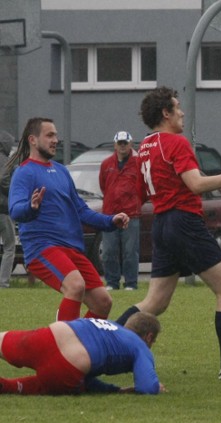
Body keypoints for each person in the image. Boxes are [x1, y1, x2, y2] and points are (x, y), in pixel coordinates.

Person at [114, 86, 221, 381]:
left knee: (154, 303)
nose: (182, 112)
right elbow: (196, 185)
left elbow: (141, 193)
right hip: (184, 222)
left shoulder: (143, 147)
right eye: (177, 107)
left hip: (161, 223)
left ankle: (102, 342)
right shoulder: (176, 142)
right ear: (166, 113)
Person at [8, 117, 130, 320]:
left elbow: (81, 210)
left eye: (56, 135)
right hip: (43, 247)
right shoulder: (24, 172)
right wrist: (31, 207)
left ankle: (81, 342)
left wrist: (110, 221)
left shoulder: (62, 171)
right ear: (33, 140)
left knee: (103, 303)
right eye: (49, 135)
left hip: (72, 249)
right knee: (75, 286)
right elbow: (15, 210)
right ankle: (62, 343)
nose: (55, 140)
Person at [0, 311, 163, 395]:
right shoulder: (139, 346)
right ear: (149, 337)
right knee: (57, 382)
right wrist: (154, 386)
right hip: (67, 365)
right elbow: (146, 387)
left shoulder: (112, 327)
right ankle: (8, 386)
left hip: (47, 336)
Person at [99, 130, 141, 291]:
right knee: (109, 251)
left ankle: (131, 283)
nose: (122, 146)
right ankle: (112, 282)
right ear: (115, 145)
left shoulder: (137, 163)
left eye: (125, 143)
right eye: (120, 143)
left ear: (130, 144)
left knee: (130, 251)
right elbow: (104, 185)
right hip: (110, 213)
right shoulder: (106, 164)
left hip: (131, 214)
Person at [0, 130, 16, 288]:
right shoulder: (6, 160)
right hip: (3, 210)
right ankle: (3, 283)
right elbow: (3, 179)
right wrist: (13, 192)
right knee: (9, 247)